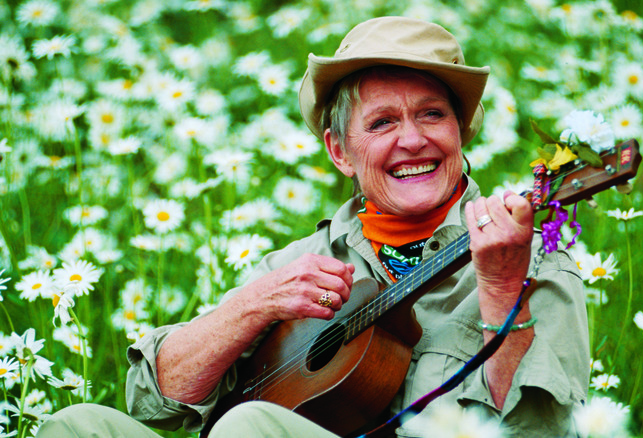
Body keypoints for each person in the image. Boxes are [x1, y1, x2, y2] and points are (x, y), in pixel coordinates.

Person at [38, 16, 588, 438]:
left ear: (461, 132)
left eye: (431, 114)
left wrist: (498, 290)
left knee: (249, 429)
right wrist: (249, 306)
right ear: (340, 152)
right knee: (79, 425)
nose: (413, 140)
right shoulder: (299, 265)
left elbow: (541, 431)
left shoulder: (525, 259)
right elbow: (156, 402)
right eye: (381, 123)